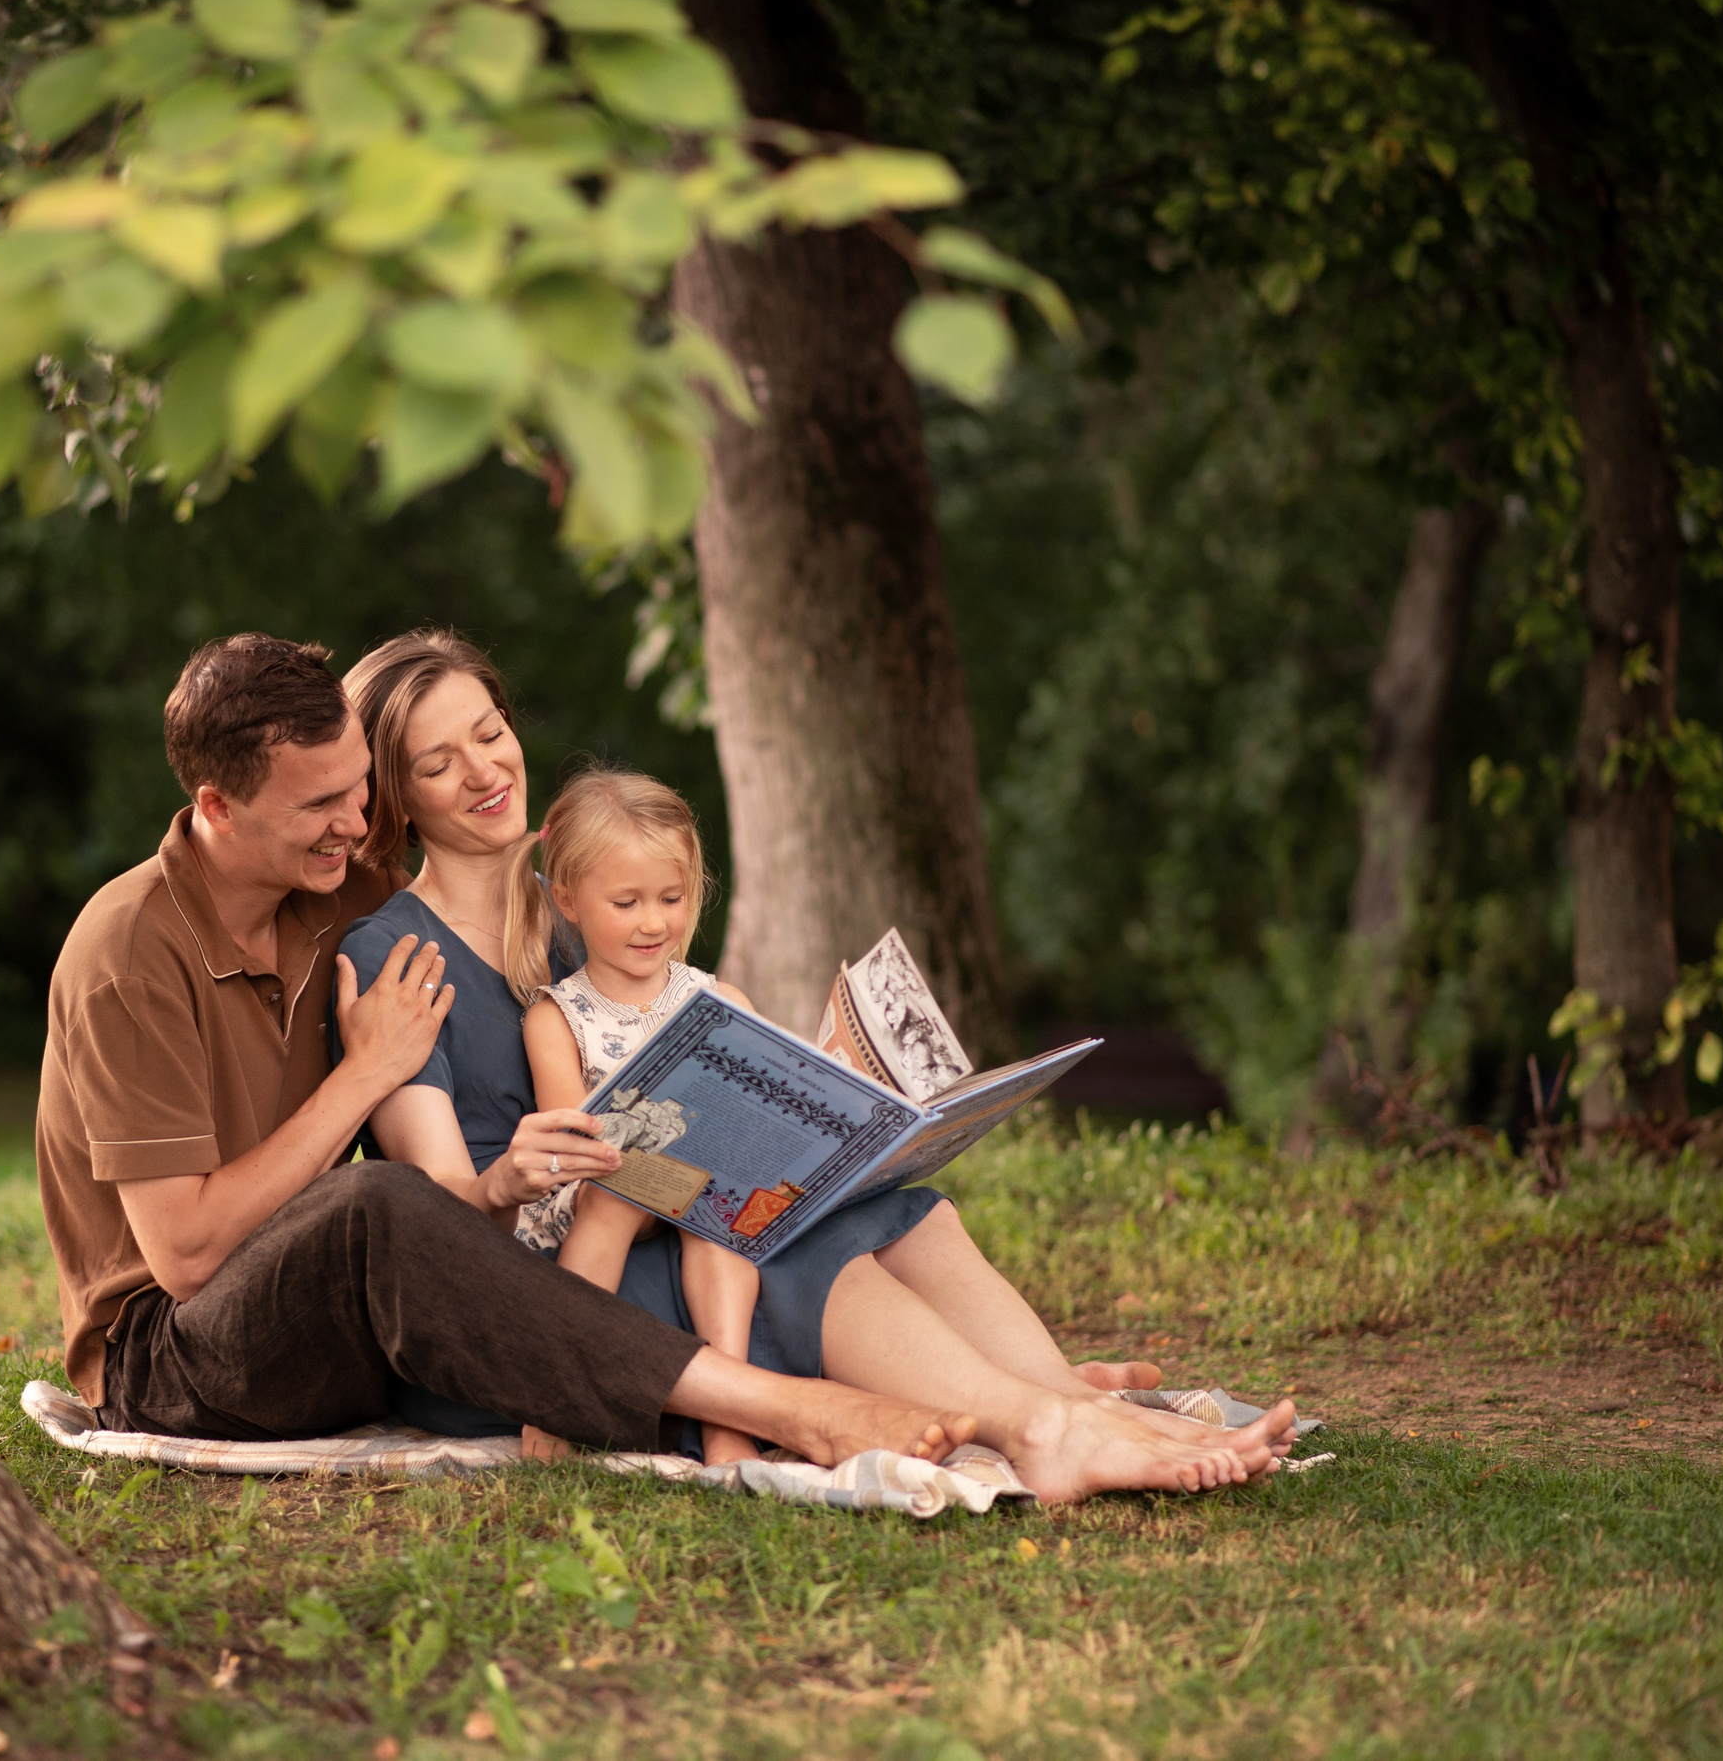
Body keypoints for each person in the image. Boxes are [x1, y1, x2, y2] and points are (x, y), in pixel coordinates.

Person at [336, 628, 1296, 1503]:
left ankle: (1070, 1405)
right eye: (437, 761)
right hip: (548, 1284)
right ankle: (1045, 1431)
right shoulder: (396, 956)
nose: (484, 769)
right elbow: (431, 1236)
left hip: (658, 1217)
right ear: (398, 798)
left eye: (490, 731)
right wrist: (510, 1173)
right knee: (775, 1239)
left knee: (879, 1205)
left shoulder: (592, 908)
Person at [34, 631, 987, 1472]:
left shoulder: (333, 894)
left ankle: (1017, 1395)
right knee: (384, 1203)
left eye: (362, 792)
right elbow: (190, 1258)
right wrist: (367, 1074)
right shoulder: (130, 955)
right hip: (174, 1351)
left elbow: (493, 887)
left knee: (806, 1208)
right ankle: (789, 1411)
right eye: (323, 804)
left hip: (350, 1303)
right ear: (218, 803)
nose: (359, 827)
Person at [505, 768, 767, 1466]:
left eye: (671, 897)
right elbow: (574, 1141)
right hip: (600, 1188)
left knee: (717, 1214)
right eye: (626, 901)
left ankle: (728, 1420)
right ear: (569, 900)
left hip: (699, 1185)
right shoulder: (557, 1015)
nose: (654, 921)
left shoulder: (721, 998)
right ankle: (557, 1393)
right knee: (619, 1198)